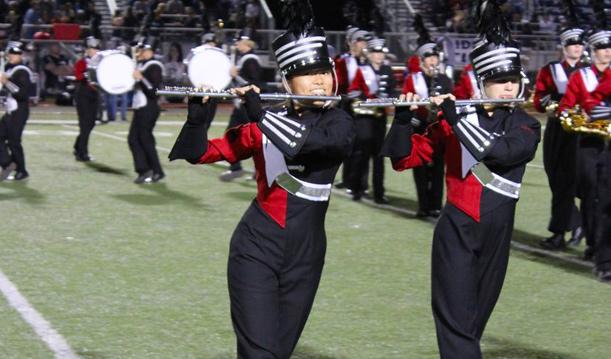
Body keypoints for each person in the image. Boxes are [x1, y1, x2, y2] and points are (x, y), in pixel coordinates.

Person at [168, 0, 355, 356]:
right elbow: (200, 153)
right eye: (306, 72)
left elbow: (311, 145)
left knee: (277, 352)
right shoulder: (264, 124)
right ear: (286, 80)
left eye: (323, 70)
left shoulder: (339, 122)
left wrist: (261, 116)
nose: (319, 80)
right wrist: (197, 118)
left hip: (308, 252)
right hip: (257, 244)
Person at [381, 1, 540, 356]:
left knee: (471, 324)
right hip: (456, 226)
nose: (509, 88)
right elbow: (403, 159)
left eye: (513, 80)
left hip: (498, 230)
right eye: (500, 82)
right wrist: (405, 120)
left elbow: (499, 153)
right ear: (482, 82)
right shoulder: (459, 118)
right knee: (455, 323)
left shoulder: (525, 125)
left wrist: (455, 119)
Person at [559, 20, 611, 262]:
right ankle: (592, 244)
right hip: (590, 143)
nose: (607, 52)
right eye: (602, 48)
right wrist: (578, 117)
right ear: (593, 50)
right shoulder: (582, 76)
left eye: (609, 47)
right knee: (591, 195)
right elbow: (565, 107)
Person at [534, 8, 586, 250]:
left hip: (583, 131)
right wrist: (549, 103)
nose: (576, 48)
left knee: (581, 182)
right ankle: (572, 223)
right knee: (556, 178)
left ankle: (566, 230)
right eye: (572, 44)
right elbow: (539, 99)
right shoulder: (551, 69)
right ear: (564, 46)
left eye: (579, 44)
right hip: (558, 128)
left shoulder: (591, 71)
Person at [401, 15, 453, 218]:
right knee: (421, 169)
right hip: (420, 130)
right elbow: (405, 100)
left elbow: (452, 102)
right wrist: (413, 117)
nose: (433, 61)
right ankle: (423, 206)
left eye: (435, 58)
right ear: (421, 61)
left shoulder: (445, 79)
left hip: (439, 131)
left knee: (439, 170)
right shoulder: (413, 79)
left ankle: (436, 205)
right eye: (428, 58)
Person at [347, 36, 394, 203]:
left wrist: (389, 101)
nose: (379, 55)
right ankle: (357, 188)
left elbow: (391, 92)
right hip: (364, 119)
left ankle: (379, 193)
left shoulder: (388, 71)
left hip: (380, 119)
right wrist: (366, 100)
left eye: (381, 52)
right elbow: (352, 92)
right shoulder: (362, 70)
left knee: (379, 157)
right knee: (362, 155)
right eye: (376, 52)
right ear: (370, 54)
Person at [218, 28, 263, 182]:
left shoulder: (250, 59)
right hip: (241, 106)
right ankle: (237, 168)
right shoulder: (243, 58)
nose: (236, 43)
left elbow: (255, 84)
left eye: (239, 41)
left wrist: (237, 76)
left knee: (251, 139)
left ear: (247, 43)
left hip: (247, 106)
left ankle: (254, 170)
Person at [129, 37, 165, 184]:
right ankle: (144, 170)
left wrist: (141, 78)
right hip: (140, 107)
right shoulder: (142, 65)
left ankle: (155, 170)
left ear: (149, 51)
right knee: (133, 139)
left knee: (145, 139)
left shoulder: (154, 66)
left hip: (149, 108)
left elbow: (153, 91)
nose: (140, 53)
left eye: (142, 50)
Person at [0, 40, 33, 181]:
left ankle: (21, 170)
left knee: (14, 142)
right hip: (10, 111)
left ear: (21, 55)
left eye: (16, 53)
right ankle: (8, 164)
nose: (13, 56)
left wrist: (6, 82)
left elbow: (22, 94)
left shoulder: (22, 71)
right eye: (11, 53)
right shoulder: (8, 68)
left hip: (19, 111)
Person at [73, 36, 101, 162]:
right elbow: (78, 76)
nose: (93, 51)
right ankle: (82, 153)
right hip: (83, 93)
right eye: (90, 48)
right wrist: (89, 73)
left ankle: (78, 146)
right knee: (84, 125)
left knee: (91, 123)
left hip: (95, 93)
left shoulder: (101, 62)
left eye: (95, 48)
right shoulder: (82, 62)